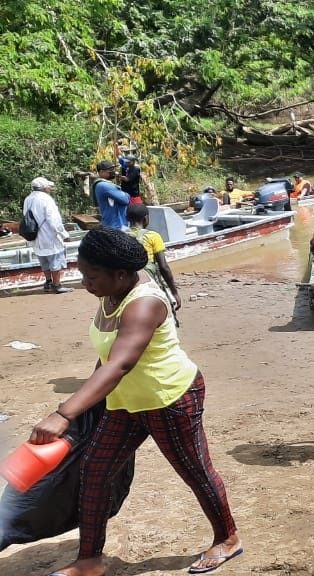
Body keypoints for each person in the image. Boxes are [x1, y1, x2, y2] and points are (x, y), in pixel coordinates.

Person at [28, 228, 243, 576]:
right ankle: (89, 561)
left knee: (195, 472)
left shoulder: (144, 303)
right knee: (95, 472)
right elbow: (108, 357)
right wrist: (92, 403)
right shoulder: (112, 288)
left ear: (120, 274)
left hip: (169, 399)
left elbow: (120, 362)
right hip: (125, 402)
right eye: (83, 274)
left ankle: (228, 538)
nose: (85, 283)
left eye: (90, 276)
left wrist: (64, 413)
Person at [22, 177, 73, 294]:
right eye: (49, 186)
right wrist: (63, 234)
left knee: (43, 260)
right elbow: (54, 220)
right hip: (49, 234)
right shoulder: (46, 199)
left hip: (35, 235)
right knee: (55, 259)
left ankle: (48, 282)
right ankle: (57, 285)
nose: (50, 188)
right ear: (44, 187)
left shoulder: (28, 199)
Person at [126, 204, 181, 309]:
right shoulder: (153, 236)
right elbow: (163, 266)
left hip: (128, 284)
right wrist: (174, 292)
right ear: (145, 219)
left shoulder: (121, 236)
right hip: (149, 282)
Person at [92, 161, 131, 231]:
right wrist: (126, 194)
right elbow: (125, 199)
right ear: (101, 172)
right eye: (109, 170)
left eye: (113, 169)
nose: (113, 172)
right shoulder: (103, 185)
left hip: (118, 224)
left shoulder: (108, 184)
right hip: (114, 225)